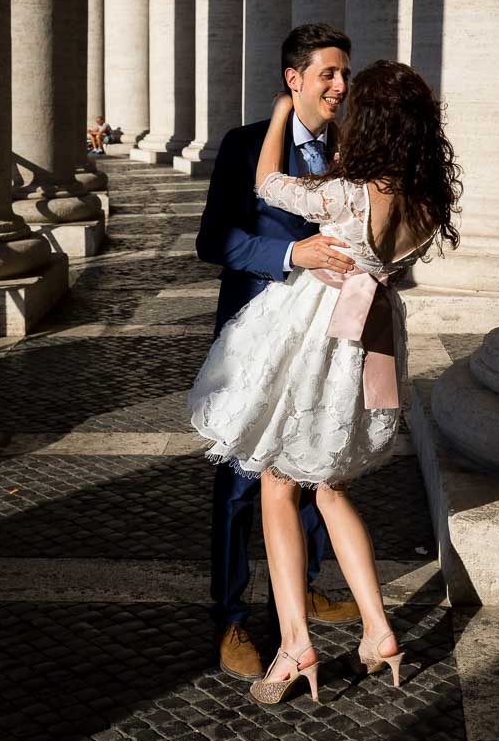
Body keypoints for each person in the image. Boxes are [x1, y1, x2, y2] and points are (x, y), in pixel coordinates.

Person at [189, 58, 462, 704]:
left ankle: (294, 644)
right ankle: (377, 632)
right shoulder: (428, 198)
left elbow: (265, 183)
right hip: (370, 340)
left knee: (277, 486)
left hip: (314, 337)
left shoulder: (346, 193)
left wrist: (285, 108)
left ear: (368, 123)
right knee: (331, 486)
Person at [195, 24, 363, 682]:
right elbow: (215, 241)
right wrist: (292, 254)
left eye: (345, 74)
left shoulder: (353, 148)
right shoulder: (243, 148)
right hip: (255, 339)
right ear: (293, 80)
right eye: (328, 73)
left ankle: (306, 587)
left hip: (326, 342)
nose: (340, 87)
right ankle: (231, 617)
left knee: (320, 464)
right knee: (242, 482)